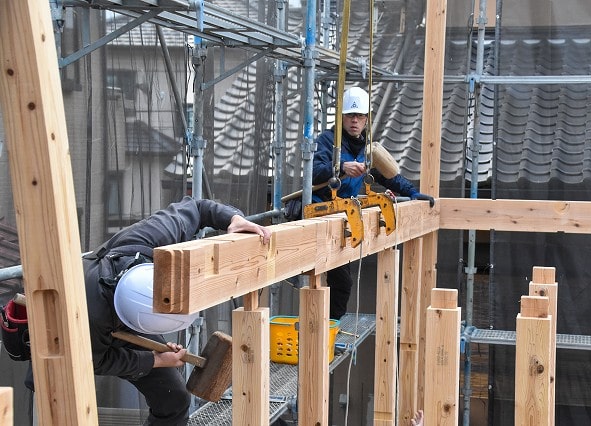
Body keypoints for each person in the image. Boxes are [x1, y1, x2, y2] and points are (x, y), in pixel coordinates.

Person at [59, 196, 269, 425]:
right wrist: (155, 360)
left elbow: (197, 208)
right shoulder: (89, 315)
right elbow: (97, 361)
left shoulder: (150, 238)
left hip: (120, 313)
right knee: (64, 398)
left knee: (174, 398)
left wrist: (234, 218)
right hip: (72, 336)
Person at [311, 86, 434, 319]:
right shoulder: (328, 141)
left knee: (341, 283)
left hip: (345, 216)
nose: (354, 121)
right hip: (323, 213)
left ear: (366, 119)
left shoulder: (367, 147)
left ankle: (329, 330)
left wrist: (413, 193)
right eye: (350, 116)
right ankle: (326, 333)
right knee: (337, 282)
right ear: (342, 118)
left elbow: (388, 175)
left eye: (359, 116)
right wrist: (339, 168)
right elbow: (313, 174)